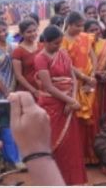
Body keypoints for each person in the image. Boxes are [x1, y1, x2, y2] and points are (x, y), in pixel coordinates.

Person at [35, 25, 87, 185]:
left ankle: (73, 180)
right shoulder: (40, 58)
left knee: (71, 145)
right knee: (55, 143)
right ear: (45, 42)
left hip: (67, 104)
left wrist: (71, 100)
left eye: (59, 43)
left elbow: (73, 78)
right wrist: (69, 101)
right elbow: (49, 86)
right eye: (55, 44)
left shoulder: (63, 53)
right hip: (51, 105)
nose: (58, 46)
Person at [61, 11, 99, 165]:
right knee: (77, 121)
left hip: (90, 84)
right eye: (78, 25)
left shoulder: (85, 37)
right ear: (69, 24)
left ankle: (92, 155)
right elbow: (68, 65)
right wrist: (84, 78)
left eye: (82, 25)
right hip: (74, 84)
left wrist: (93, 75)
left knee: (92, 118)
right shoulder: (62, 41)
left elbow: (93, 56)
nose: (81, 28)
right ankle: (78, 156)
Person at [0, 19, 21, 168]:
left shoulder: (12, 46)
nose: (2, 34)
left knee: (16, 124)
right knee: (6, 126)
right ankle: (12, 159)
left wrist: (15, 89)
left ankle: (16, 157)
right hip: (0, 91)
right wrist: (6, 92)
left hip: (14, 88)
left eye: (3, 30)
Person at [85, 19, 106, 122]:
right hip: (90, 82)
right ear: (85, 32)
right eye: (91, 30)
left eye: (96, 29)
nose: (94, 32)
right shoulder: (83, 47)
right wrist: (95, 73)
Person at [12, 20, 42, 98]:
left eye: (34, 30)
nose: (32, 34)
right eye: (28, 32)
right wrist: (33, 90)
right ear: (21, 34)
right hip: (27, 89)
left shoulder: (41, 46)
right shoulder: (18, 51)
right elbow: (18, 76)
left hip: (42, 87)